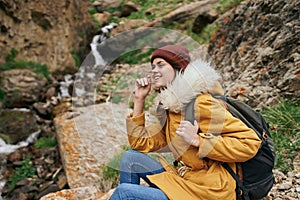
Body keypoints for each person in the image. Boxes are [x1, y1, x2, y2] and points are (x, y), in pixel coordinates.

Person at [109, 45, 261, 200]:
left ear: (177, 69)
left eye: (161, 65)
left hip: (209, 190)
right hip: (186, 179)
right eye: (152, 66)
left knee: (124, 193)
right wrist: (139, 99)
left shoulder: (200, 104)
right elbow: (140, 144)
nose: (154, 70)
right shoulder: (172, 108)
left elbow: (250, 143)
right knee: (130, 158)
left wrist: (198, 140)